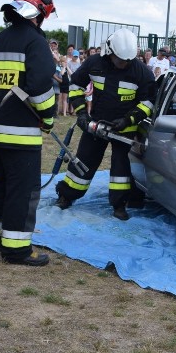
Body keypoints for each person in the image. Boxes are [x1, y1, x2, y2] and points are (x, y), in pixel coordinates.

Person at [0, 0, 57, 266]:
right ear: (40, 12)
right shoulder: (36, 43)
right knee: (23, 189)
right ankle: (16, 248)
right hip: (23, 133)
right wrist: (47, 119)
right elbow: (40, 88)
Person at [55, 28, 155, 220]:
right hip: (96, 124)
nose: (123, 64)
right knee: (83, 161)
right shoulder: (94, 63)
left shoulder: (142, 72)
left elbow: (148, 102)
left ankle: (119, 205)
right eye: (119, 60)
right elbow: (75, 85)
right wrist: (82, 113)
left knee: (121, 168)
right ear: (110, 52)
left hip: (124, 128)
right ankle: (66, 196)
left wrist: (128, 119)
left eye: (127, 60)